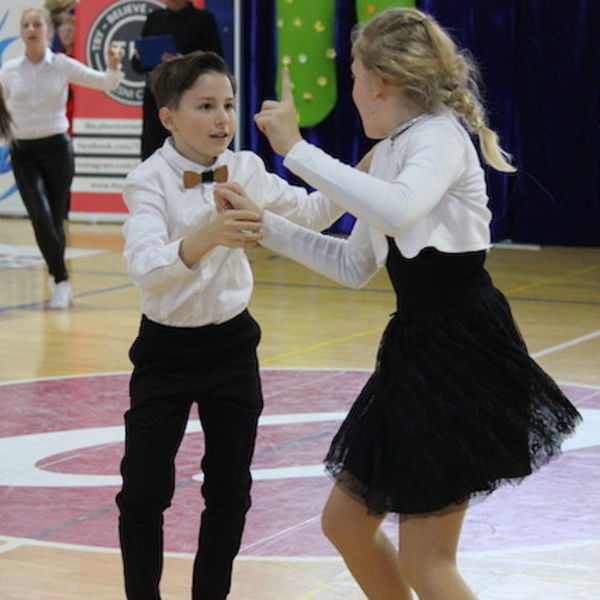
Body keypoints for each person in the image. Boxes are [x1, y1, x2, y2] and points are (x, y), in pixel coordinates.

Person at [214, 8, 582, 599]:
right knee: (345, 525)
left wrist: (296, 148)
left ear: (380, 82)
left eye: (355, 77)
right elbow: (352, 265)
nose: (354, 91)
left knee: (428, 562)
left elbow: (398, 208)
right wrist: (264, 227)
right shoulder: (392, 149)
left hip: (462, 353)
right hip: (416, 350)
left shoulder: (439, 136)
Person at [115, 50, 344, 600]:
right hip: (164, 353)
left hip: (232, 347)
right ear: (169, 117)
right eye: (205, 106)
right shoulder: (146, 181)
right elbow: (145, 268)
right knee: (143, 491)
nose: (223, 119)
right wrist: (207, 234)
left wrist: (364, 172)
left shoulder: (246, 169)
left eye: (228, 105)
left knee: (230, 491)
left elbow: (312, 212)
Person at [0, 7, 123, 309]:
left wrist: (114, 66)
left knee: (56, 219)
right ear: (21, 32)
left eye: (37, 24)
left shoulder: (61, 64)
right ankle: (61, 277)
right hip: (23, 152)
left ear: (48, 31)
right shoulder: (9, 69)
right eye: (26, 25)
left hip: (57, 148)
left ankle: (57, 278)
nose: (31, 29)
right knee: (39, 217)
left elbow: (105, 83)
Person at [131, 0, 223, 160]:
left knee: (187, 147)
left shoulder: (203, 19)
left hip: (188, 97)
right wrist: (140, 57)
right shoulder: (154, 18)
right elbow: (137, 66)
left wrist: (184, 62)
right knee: (152, 148)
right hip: (156, 98)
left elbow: (215, 63)